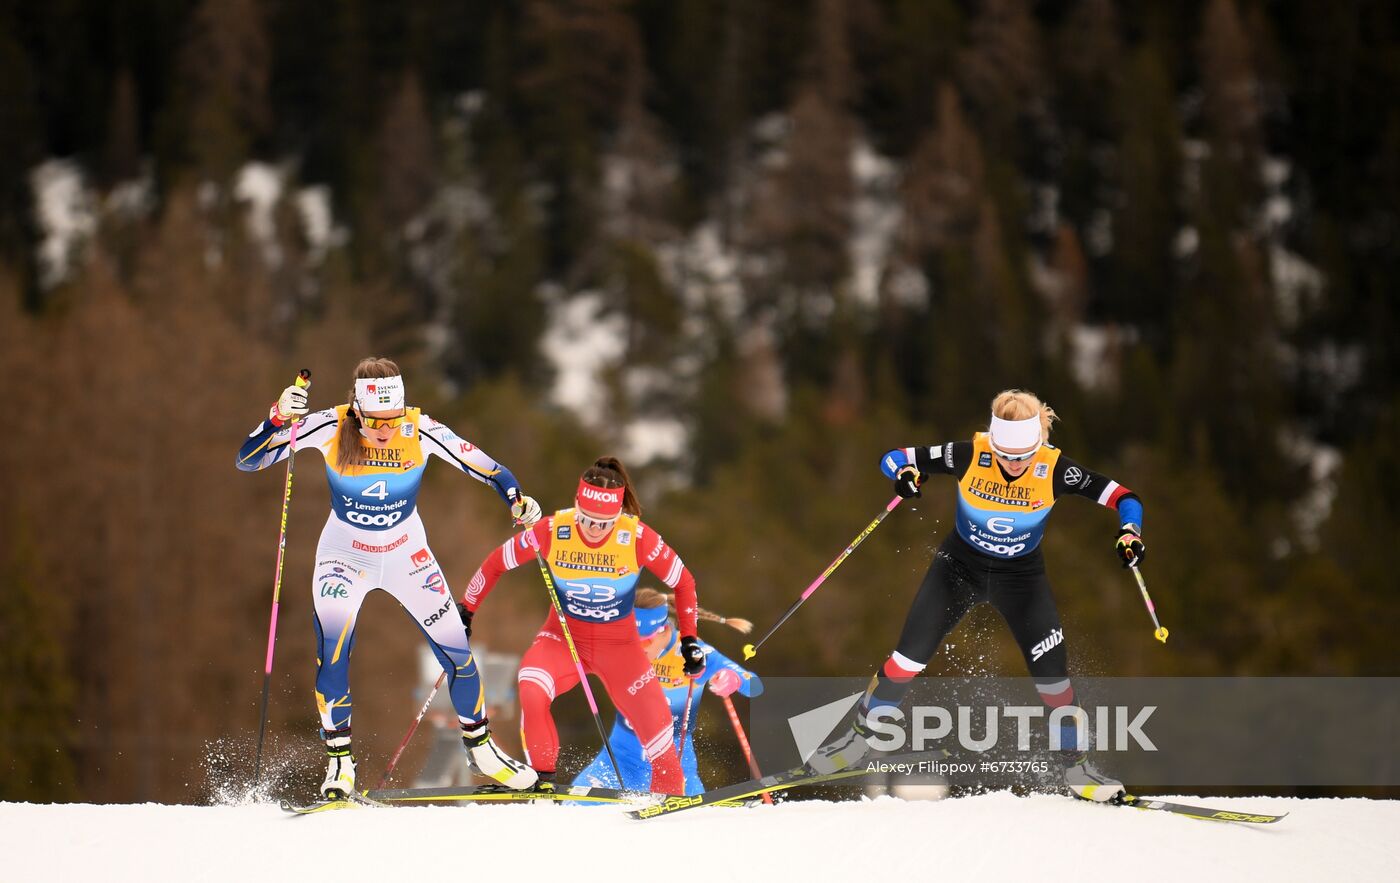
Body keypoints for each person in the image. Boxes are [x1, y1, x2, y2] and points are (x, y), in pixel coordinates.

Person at [810, 389, 1146, 803]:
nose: (1014, 464)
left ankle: (1076, 769)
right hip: (958, 570)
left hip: (1021, 579)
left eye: (1023, 457)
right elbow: (895, 457)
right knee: (906, 660)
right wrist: (904, 475)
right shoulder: (969, 454)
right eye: (1006, 455)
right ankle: (858, 740)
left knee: (1054, 680)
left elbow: (1124, 497)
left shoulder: (1056, 469)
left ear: (1038, 444)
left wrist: (1130, 532)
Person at [236, 357, 542, 798]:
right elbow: (249, 461)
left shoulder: (420, 429)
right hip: (345, 554)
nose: (385, 431)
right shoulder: (331, 426)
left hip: (406, 554)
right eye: (376, 422)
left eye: (393, 420)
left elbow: (487, 467)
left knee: (457, 650)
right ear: (358, 411)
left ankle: (483, 751)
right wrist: (278, 417)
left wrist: (516, 499)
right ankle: (340, 764)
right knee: (333, 653)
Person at [460, 457, 705, 795]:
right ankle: (542, 782)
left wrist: (690, 640)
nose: (593, 529)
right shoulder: (551, 530)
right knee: (531, 686)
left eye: (604, 523)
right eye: (586, 519)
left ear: (618, 516)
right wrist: (466, 610)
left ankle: (670, 800)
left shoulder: (636, 537)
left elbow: (685, 582)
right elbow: (495, 564)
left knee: (659, 732)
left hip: (619, 647)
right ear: (576, 506)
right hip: (562, 638)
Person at [574, 588, 762, 795]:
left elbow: (754, 685)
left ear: (664, 630)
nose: (634, 650)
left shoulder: (691, 653)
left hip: (675, 768)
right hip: (619, 763)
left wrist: (731, 679)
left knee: (693, 822)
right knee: (571, 808)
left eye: (643, 642)